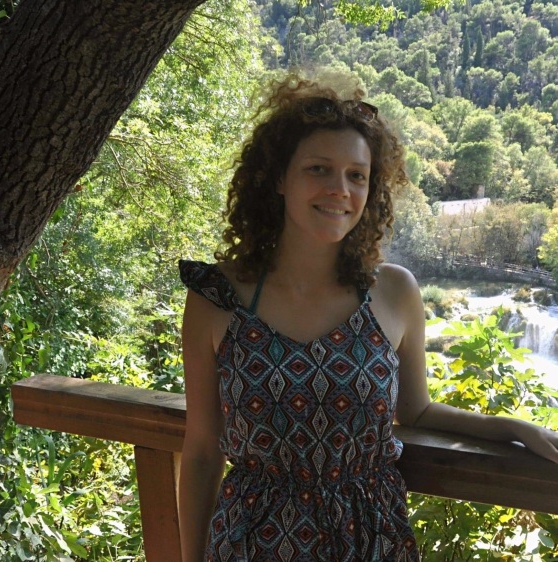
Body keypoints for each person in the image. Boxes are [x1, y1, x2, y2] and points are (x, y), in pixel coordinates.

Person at [177, 71, 558, 562]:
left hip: (369, 537)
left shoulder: (394, 292)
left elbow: (416, 412)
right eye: (318, 169)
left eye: (356, 175)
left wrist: (516, 429)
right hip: (252, 542)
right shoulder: (217, 297)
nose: (340, 189)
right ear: (278, 178)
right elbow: (202, 451)